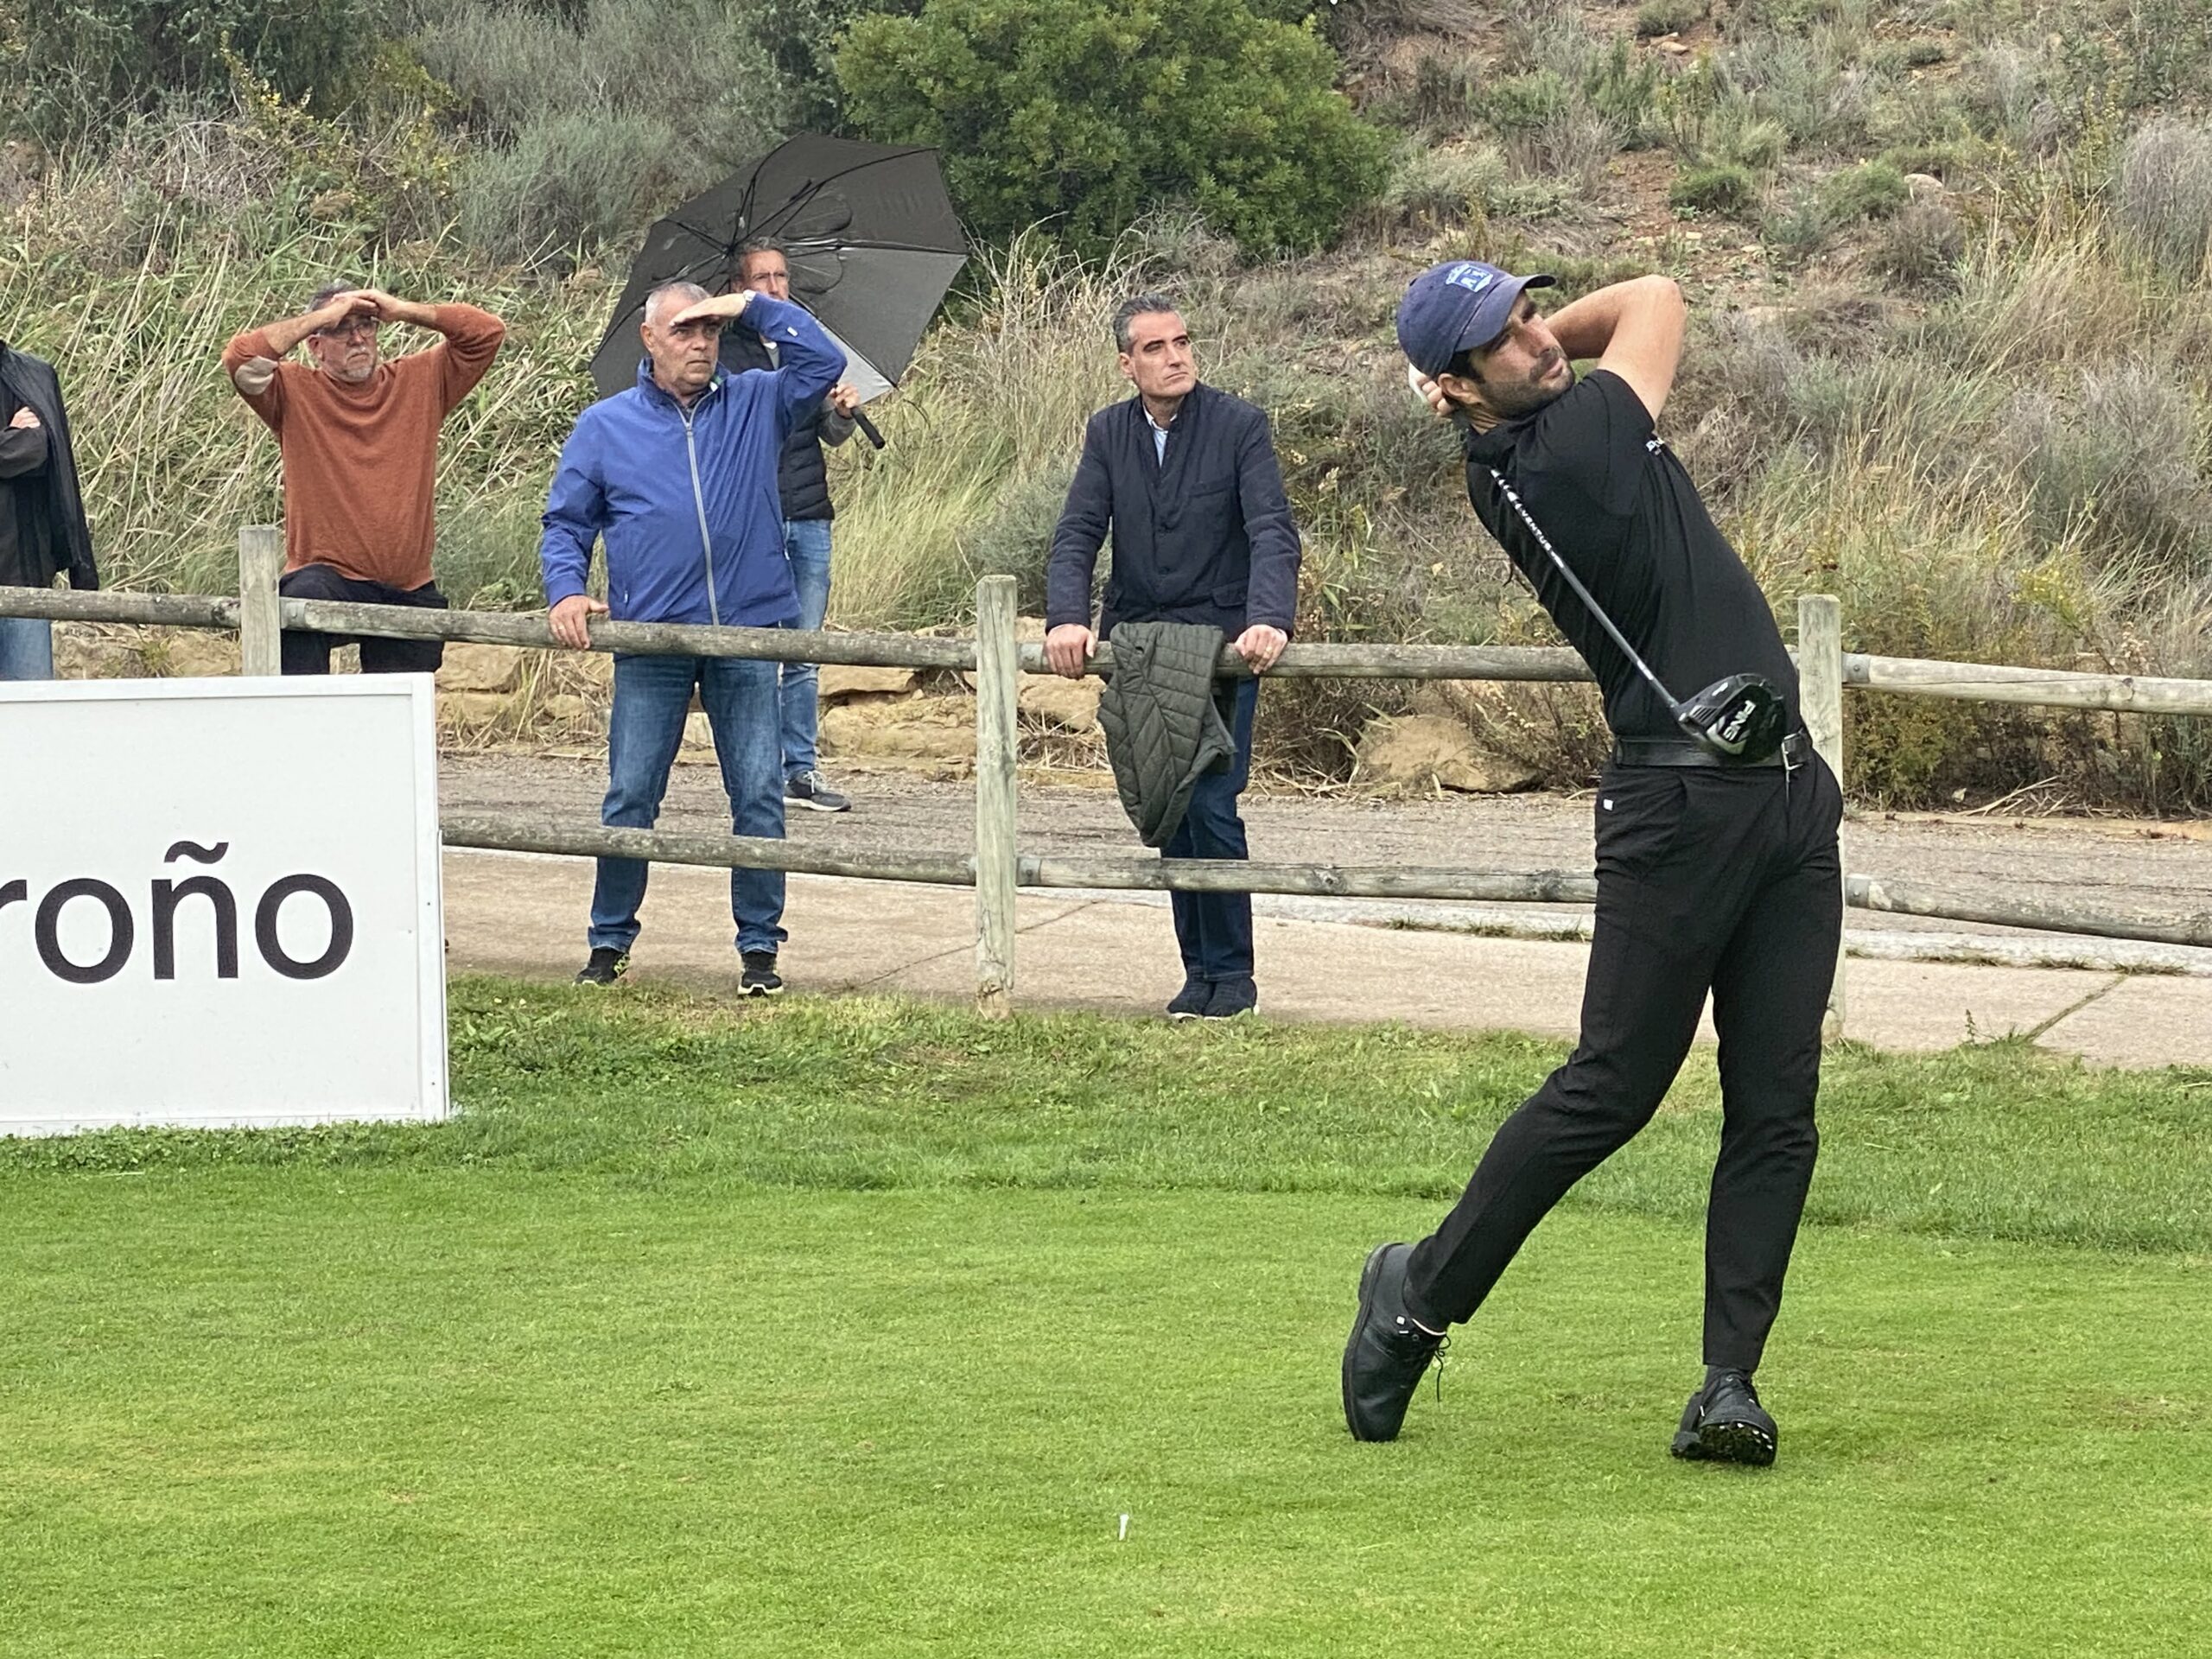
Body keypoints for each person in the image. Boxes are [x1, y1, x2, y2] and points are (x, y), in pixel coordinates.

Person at [1340, 261, 1844, 1467]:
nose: (1537, 343)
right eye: (1501, 343)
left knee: (1778, 1106)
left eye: (1527, 313)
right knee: (1614, 1087)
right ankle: (1413, 1298)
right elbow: (1659, 296)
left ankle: (1731, 1384)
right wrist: (1521, 359)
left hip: (1783, 799)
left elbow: (1600, 331)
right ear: (1457, 390)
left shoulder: (1540, 420)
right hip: (1676, 807)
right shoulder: (1571, 446)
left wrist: (1495, 351)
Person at [540, 279, 844, 997]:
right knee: (630, 796)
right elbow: (566, 522)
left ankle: (760, 953)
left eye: (709, 330)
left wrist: (750, 307)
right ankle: (609, 943)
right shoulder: (606, 425)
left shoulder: (758, 401)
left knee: (760, 795)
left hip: (746, 631)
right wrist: (566, 589)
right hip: (652, 639)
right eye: (684, 330)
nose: (700, 343)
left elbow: (822, 363)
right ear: (649, 340)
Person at [1045, 295, 1301, 1020]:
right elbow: (1077, 532)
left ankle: (1235, 979)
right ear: (1128, 364)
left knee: (1214, 804)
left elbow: (1273, 532)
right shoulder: (1108, 432)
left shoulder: (1239, 426)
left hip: (1220, 649)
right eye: (1155, 348)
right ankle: (1198, 975)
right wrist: (1067, 617)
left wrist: (1267, 620)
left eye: (1182, 342)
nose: (1175, 356)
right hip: (1139, 650)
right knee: (1169, 807)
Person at [221, 284, 505, 675]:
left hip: (407, 586)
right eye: (341, 329)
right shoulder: (292, 391)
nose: (357, 337)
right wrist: (321, 318)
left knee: (399, 717)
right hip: (327, 578)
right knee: (298, 599)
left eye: (366, 325)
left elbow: (487, 332)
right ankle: (299, 725)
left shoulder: (421, 381)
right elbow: (241, 358)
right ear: (316, 346)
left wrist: (403, 309)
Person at [720, 236, 862, 815]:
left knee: (803, 650)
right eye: (762, 279)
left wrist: (840, 413)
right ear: (738, 291)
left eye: (781, 278)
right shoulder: (725, 354)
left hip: (810, 514)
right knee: (756, 649)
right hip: (756, 518)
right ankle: (756, 767)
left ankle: (799, 772)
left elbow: (827, 437)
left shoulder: (806, 348)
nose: (776, 288)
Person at [0, 340, 97, 679]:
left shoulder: (33, 375)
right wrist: (12, 437)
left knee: (31, 712)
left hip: (26, 578)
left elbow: (40, 450)